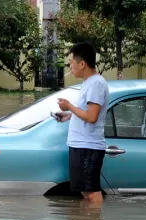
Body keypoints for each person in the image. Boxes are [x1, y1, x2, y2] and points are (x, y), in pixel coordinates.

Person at [54, 42, 110, 204]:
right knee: (85, 192)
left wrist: (69, 105)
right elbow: (87, 112)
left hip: (89, 146)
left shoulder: (96, 84)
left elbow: (92, 117)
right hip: (81, 144)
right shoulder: (89, 83)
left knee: (91, 192)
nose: (70, 65)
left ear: (82, 64)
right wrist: (69, 115)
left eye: (72, 61)